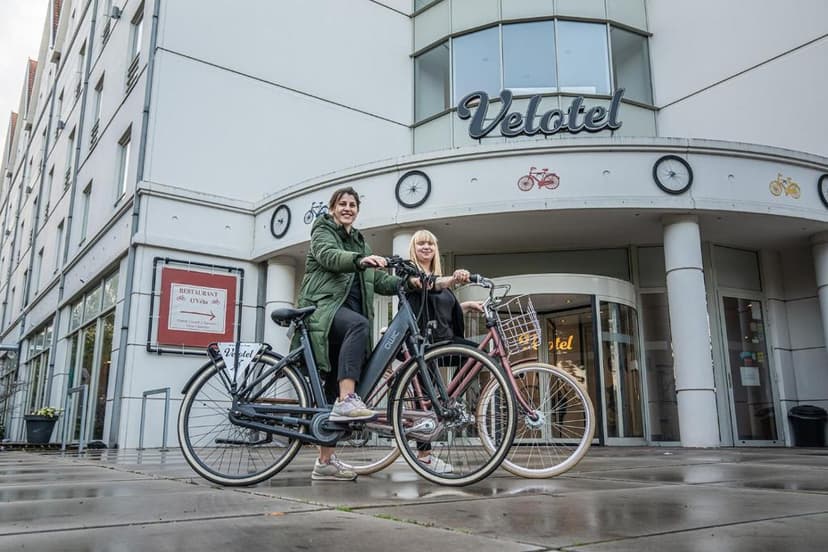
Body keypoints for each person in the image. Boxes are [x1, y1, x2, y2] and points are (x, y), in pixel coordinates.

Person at [295, 186, 406, 481]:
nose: (347, 208)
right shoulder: (322, 230)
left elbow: (377, 280)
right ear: (332, 208)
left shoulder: (359, 241)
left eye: (352, 205)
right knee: (359, 325)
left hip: (343, 323)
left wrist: (406, 284)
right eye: (342, 204)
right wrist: (359, 260)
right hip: (323, 311)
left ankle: (325, 463)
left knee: (331, 393)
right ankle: (348, 400)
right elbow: (330, 256)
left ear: (357, 210)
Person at [405, 229, 484, 473]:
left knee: (477, 355)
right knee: (423, 402)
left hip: (442, 341)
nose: (426, 247)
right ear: (413, 248)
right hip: (423, 343)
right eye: (421, 243)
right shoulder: (411, 274)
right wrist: (453, 279)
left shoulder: (438, 278)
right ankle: (425, 457)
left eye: (430, 243)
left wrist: (466, 305)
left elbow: (440, 310)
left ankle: (449, 400)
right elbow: (426, 290)